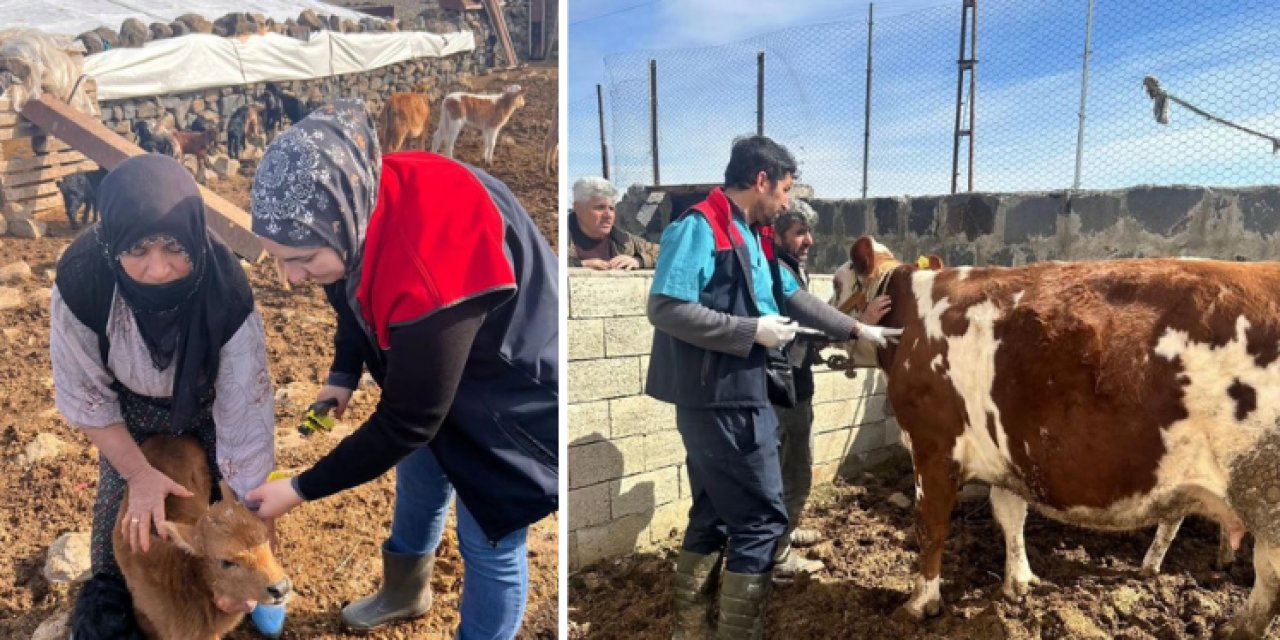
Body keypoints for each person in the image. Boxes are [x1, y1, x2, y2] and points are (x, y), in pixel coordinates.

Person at [244, 101, 558, 640]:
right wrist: (343, 374)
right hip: (435, 354)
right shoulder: (355, 201)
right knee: (420, 474)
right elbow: (350, 292)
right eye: (278, 257)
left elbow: (409, 420)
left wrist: (300, 488)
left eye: (302, 259)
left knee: (489, 534)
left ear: (344, 223)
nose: (289, 278)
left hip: (506, 391)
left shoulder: (432, 254)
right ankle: (405, 591)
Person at [646, 135, 902, 639]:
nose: (786, 203)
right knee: (763, 520)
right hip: (723, 397)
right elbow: (666, 308)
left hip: (735, 392)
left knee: (714, 512)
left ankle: (691, 631)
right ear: (761, 180)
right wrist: (750, 331)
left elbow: (792, 296)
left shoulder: (752, 235)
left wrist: (856, 329)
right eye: (784, 190)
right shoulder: (700, 226)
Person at [50, 155, 278, 638]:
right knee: (122, 525)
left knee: (231, 512)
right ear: (113, 243)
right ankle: (114, 603)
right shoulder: (83, 279)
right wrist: (137, 473)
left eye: (175, 247)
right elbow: (84, 392)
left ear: (194, 237)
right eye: (137, 249)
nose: (157, 269)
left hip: (210, 404)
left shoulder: (224, 287)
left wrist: (246, 521)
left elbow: (245, 408)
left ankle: (252, 585)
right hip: (127, 409)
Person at [768, 207, 892, 576]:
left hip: (795, 383)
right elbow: (805, 323)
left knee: (796, 463)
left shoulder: (790, 267)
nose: (808, 240)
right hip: (781, 386)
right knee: (791, 470)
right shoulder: (776, 270)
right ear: (775, 234)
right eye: (798, 232)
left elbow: (811, 325)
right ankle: (777, 555)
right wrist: (859, 324)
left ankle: (785, 531)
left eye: (808, 232)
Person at [568, 177, 660, 270]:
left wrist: (639, 260)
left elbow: (665, 252)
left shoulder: (624, 240)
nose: (608, 215)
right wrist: (579, 265)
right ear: (578, 208)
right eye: (600, 208)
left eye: (611, 208)